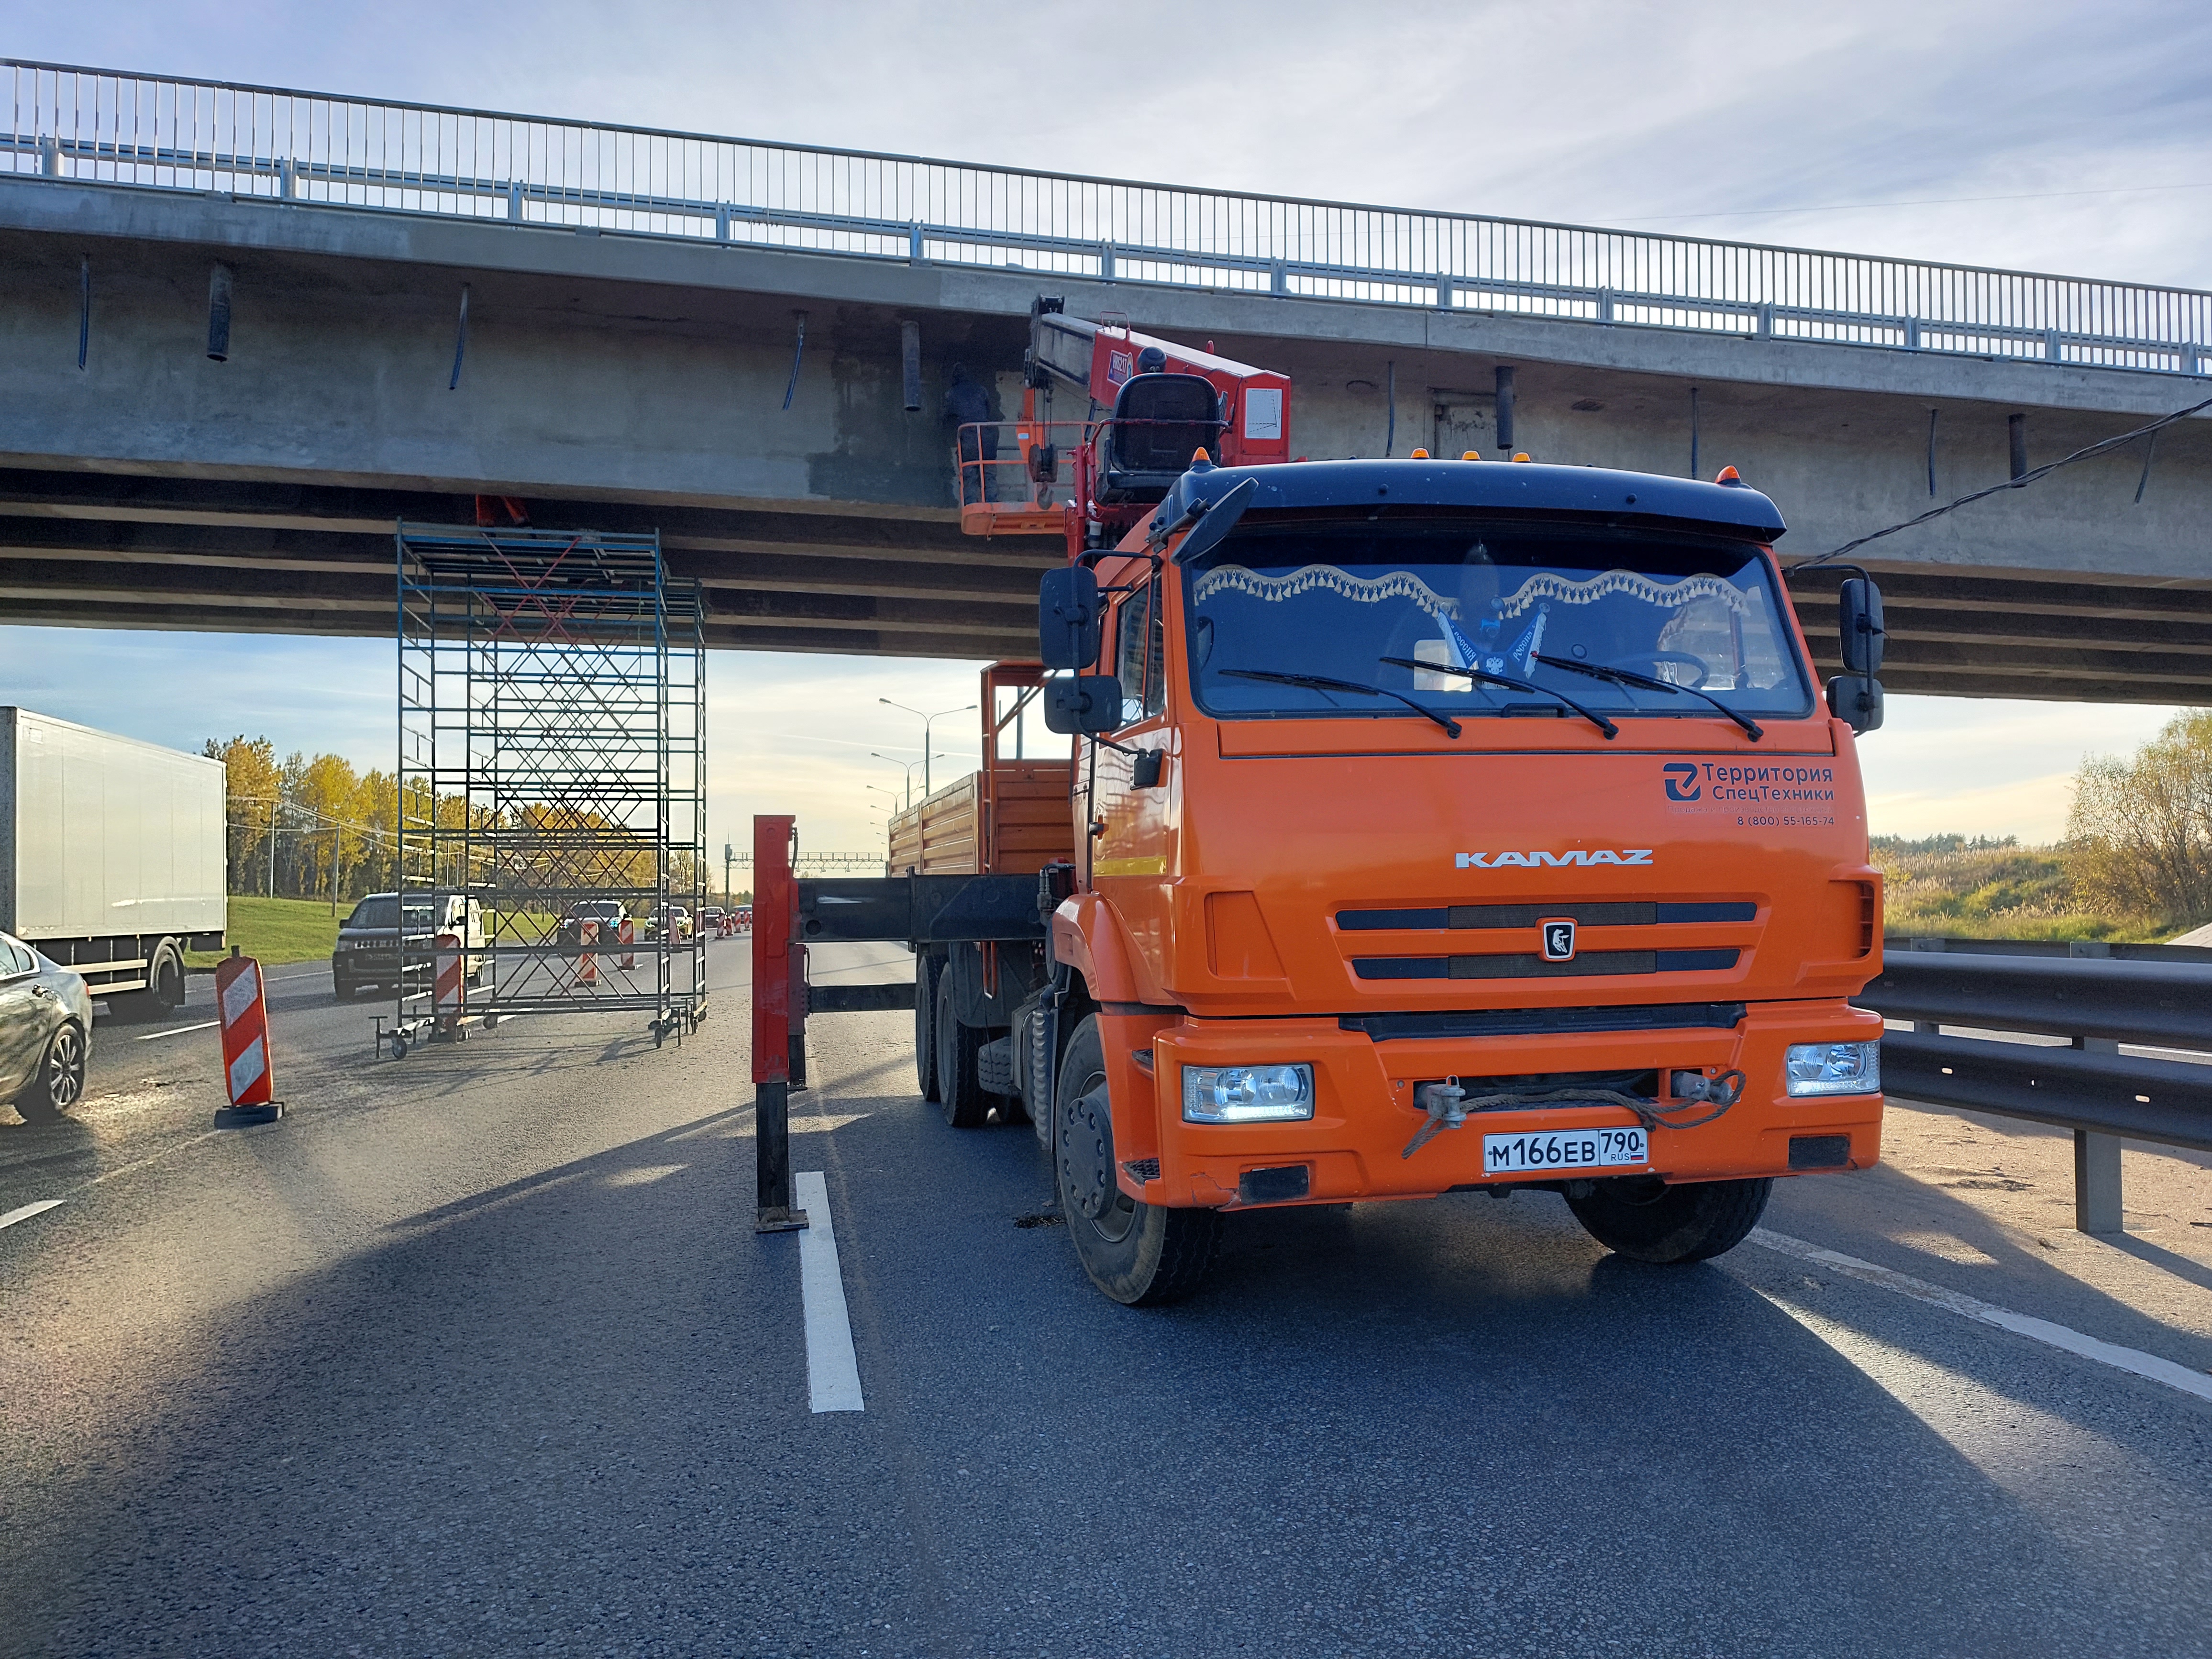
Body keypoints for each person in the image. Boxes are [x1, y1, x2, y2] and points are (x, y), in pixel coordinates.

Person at [945, 363, 999, 504]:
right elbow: (988, 410)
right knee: (989, 475)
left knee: (969, 476)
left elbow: (947, 416)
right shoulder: (981, 390)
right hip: (987, 438)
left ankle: (971, 506)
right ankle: (992, 504)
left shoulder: (952, 393)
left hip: (968, 440)